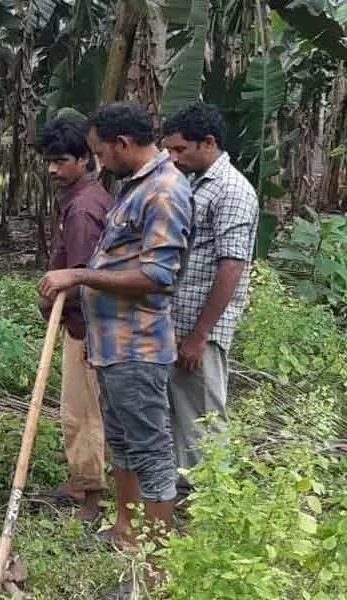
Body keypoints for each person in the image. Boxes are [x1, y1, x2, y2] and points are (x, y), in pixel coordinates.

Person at [38, 102, 193, 563]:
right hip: (111, 344)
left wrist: (79, 277)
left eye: (99, 152)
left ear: (121, 144)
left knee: (149, 449)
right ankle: (126, 532)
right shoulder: (135, 188)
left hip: (137, 344)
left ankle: (156, 558)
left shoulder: (163, 191)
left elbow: (158, 275)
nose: (99, 161)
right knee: (123, 444)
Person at [162, 102, 258, 498]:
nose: (173, 157)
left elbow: (231, 266)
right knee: (181, 407)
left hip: (202, 324)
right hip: (181, 318)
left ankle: (213, 496)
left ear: (209, 143)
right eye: (169, 149)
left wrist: (200, 334)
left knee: (203, 410)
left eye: (181, 149)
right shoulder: (194, 182)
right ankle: (188, 486)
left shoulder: (232, 190)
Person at [36, 113, 114, 522]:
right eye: (48, 161)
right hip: (83, 324)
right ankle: (82, 481)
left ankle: (89, 494)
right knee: (79, 407)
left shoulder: (84, 209)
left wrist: (80, 330)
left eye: (61, 161)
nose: (52, 169)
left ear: (85, 159)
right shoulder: (81, 198)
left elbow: (85, 276)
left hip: (87, 327)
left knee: (81, 410)